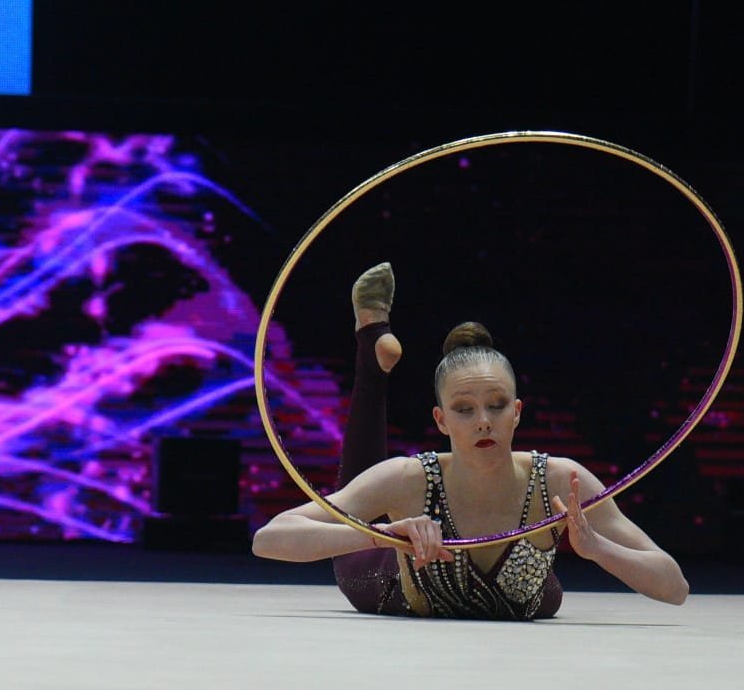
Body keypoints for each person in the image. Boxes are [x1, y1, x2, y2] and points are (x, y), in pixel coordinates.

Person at [252, 262, 689, 620]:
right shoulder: (412, 478)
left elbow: (675, 586)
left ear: (517, 412)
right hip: (382, 582)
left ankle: (373, 350)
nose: (484, 422)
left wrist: (598, 548)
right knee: (356, 498)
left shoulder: (561, 482)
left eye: (497, 405)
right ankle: (371, 354)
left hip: (532, 599)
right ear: (441, 420)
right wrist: (382, 535)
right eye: (464, 409)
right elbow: (269, 538)